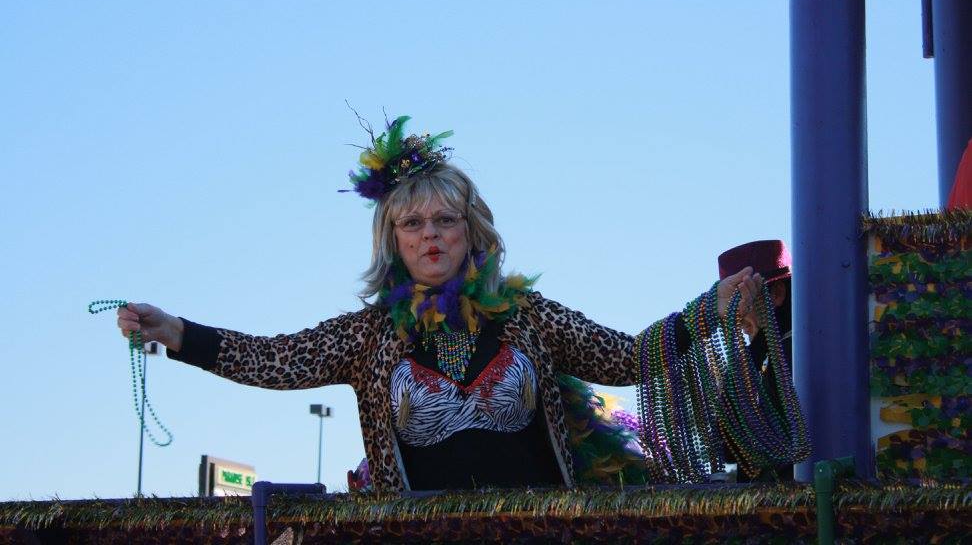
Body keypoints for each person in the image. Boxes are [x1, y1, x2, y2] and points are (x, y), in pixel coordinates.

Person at [116, 116, 765, 492]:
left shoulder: (526, 316)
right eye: (414, 223)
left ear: (471, 231)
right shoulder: (368, 336)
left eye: (445, 220)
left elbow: (627, 358)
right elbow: (276, 359)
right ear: (393, 240)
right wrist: (177, 333)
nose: (430, 234)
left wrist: (707, 312)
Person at [717, 239, 794, 482]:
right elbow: (729, 451)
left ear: (777, 294)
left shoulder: (797, 354)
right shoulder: (751, 362)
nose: (735, 317)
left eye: (741, 302)